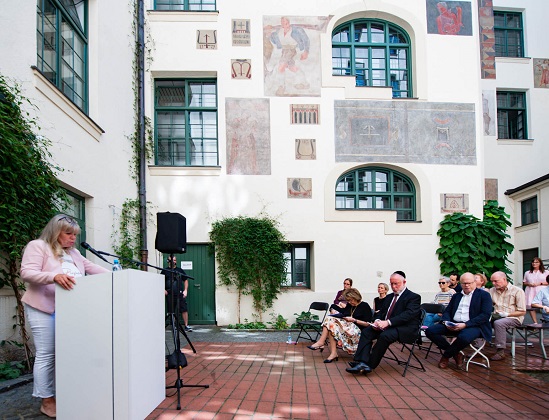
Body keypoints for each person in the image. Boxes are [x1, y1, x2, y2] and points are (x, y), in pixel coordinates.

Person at [20, 214, 109, 418]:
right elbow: (27, 272)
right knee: (47, 353)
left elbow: (92, 268)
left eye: (74, 235)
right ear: (54, 232)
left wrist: (119, 275)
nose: (72, 238)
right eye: (68, 233)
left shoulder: (75, 253)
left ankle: (71, 393)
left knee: (71, 353)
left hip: (72, 311)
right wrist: (54, 276)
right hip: (44, 308)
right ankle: (47, 400)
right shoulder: (38, 246)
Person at [346, 271, 421, 375]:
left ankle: (369, 364)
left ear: (404, 282)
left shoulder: (413, 297)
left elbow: (407, 315)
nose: (394, 286)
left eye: (396, 284)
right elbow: (381, 313)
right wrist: (377, 321)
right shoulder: (389, 297)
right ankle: (361, 361)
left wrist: (388, 322)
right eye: (391, 284)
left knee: (385, 336)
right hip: (387, 326)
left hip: (403, 328)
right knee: (367, 331)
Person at [425, 272, 492, 369]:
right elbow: (447, 311)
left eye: (469, 283)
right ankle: (456, 354)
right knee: (430, 331)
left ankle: (446, 356)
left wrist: (465, 324)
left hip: (473, 325)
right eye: (464, 283)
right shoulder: (456, 296)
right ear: (460, 283)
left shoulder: (484, 295)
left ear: (474, 283)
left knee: (463, 337)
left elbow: (485, 315)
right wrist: (446, 322)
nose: (467, 285)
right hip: (453, 323)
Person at [308, 288, 372, 363]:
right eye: (348, 300)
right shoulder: (350, 305)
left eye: (351, 300)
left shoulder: (364, 306)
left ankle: (321, 342)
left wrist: (354, 320)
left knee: (330, 322)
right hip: (347, 327)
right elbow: (344, 313)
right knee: (330, 323)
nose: (350, 302)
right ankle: (333, 353)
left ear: (356, 297)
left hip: (357, 331)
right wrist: (333, 307)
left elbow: (368, 324)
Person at [489, 271, 526, 361]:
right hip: (496, 316)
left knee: (499, 323)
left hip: (513, 317)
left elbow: (522, 311)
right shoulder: (492, 290)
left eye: (496, 281)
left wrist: (507, 314)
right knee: (481, 320)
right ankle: (478, 348)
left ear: (504, 279)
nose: (493, 283)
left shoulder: (517, 291)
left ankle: (500, 351)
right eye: (492, 281)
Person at [268, 16, 310, 95]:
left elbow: (306, 39)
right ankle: (304, 83)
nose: (284, 24)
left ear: (288, 22)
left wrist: (306, 51)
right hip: (284, 51)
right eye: (283, 22)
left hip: (292, 50)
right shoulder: (278, 31)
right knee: (292, 68)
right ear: (281, 23)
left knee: (281, 67)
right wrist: (269, 34)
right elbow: (273, 39)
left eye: (286, 22)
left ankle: (281, 87)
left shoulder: (296, 30)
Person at [162, 255, 192, 332]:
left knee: (184, 309)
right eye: (172, 260)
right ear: (168, 261)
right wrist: (163, 290)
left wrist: (185, 290)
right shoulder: (165, 271)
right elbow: (160, 280)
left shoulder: (180, 270)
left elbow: (185, 280)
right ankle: (174, 326)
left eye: (175, 260)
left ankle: (186, 326)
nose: (173, 262)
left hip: (180, 293)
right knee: (171, 311)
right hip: (169, 294)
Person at [523, 258, 548, 323]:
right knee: (531, 305)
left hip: (541, 289)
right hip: (530, 290)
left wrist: (540, 283)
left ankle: (545, 319)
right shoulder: (527, 273)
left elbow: (548, 282)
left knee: (543, 304)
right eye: (533, 262)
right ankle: (535, 322)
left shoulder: (546, 272)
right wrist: (529, 284)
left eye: (536, 262)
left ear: (540, 263)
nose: (534, 263)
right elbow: (524, 282)